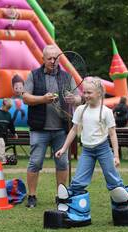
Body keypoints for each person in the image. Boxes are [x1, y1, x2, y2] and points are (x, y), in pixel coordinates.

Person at [55, 77, 128, 222]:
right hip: (87, 150)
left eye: (89, 92)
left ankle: (125, 201)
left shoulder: (106, 112)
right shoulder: (81, 110)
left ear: (99, 93)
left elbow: (112, 134)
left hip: (103, 149)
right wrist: (64, 148)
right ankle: (70, 202)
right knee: (78, 181)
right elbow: (73, 130)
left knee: (113, 180)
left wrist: (116, 155)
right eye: (85, 92)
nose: (86, 95)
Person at [22, 44, 82, 208]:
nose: (53, 61)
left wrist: (73, 99)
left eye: (56, 58)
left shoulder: (66, 76)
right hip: (39, 128)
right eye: (49, 58)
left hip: (62, 129)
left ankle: (61, 196)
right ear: (43, 59)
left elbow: (78, 98)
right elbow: (25, 98)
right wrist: (42, 99)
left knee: (62, 164)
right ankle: (32, 196)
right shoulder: (33, 75)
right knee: (35, 163)